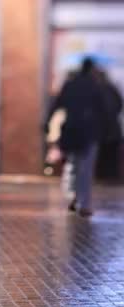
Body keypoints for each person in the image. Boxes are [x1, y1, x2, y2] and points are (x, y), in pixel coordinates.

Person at [48, 58, 107, 218]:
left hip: (71, 132)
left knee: (73, 166)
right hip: (89, 133)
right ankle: (85, 204)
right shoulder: (95, 86)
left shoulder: (70, 84)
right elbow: (104, 110)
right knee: (86, 169)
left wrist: (47, 123)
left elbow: (56, 105)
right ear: (92, 69)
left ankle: (73, 196)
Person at [95, 70, 123, 182]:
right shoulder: (111, 88)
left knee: (104, 156)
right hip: (111, 129)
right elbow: (120, 104)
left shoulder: (98, 90)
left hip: (104, 130)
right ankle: (109, 177)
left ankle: (105, 177)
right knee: (110, 156)